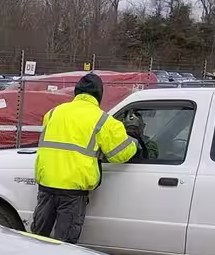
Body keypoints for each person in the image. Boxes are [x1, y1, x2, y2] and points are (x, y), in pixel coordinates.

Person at [31, 72, 137, 243]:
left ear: (76, 93)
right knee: (65, 244)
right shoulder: (102, 120)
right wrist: (133, 135)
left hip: (46, 186)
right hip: (73, 192)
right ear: (99, 95)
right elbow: (121, 154)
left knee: (36, 239)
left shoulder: (52, 113)